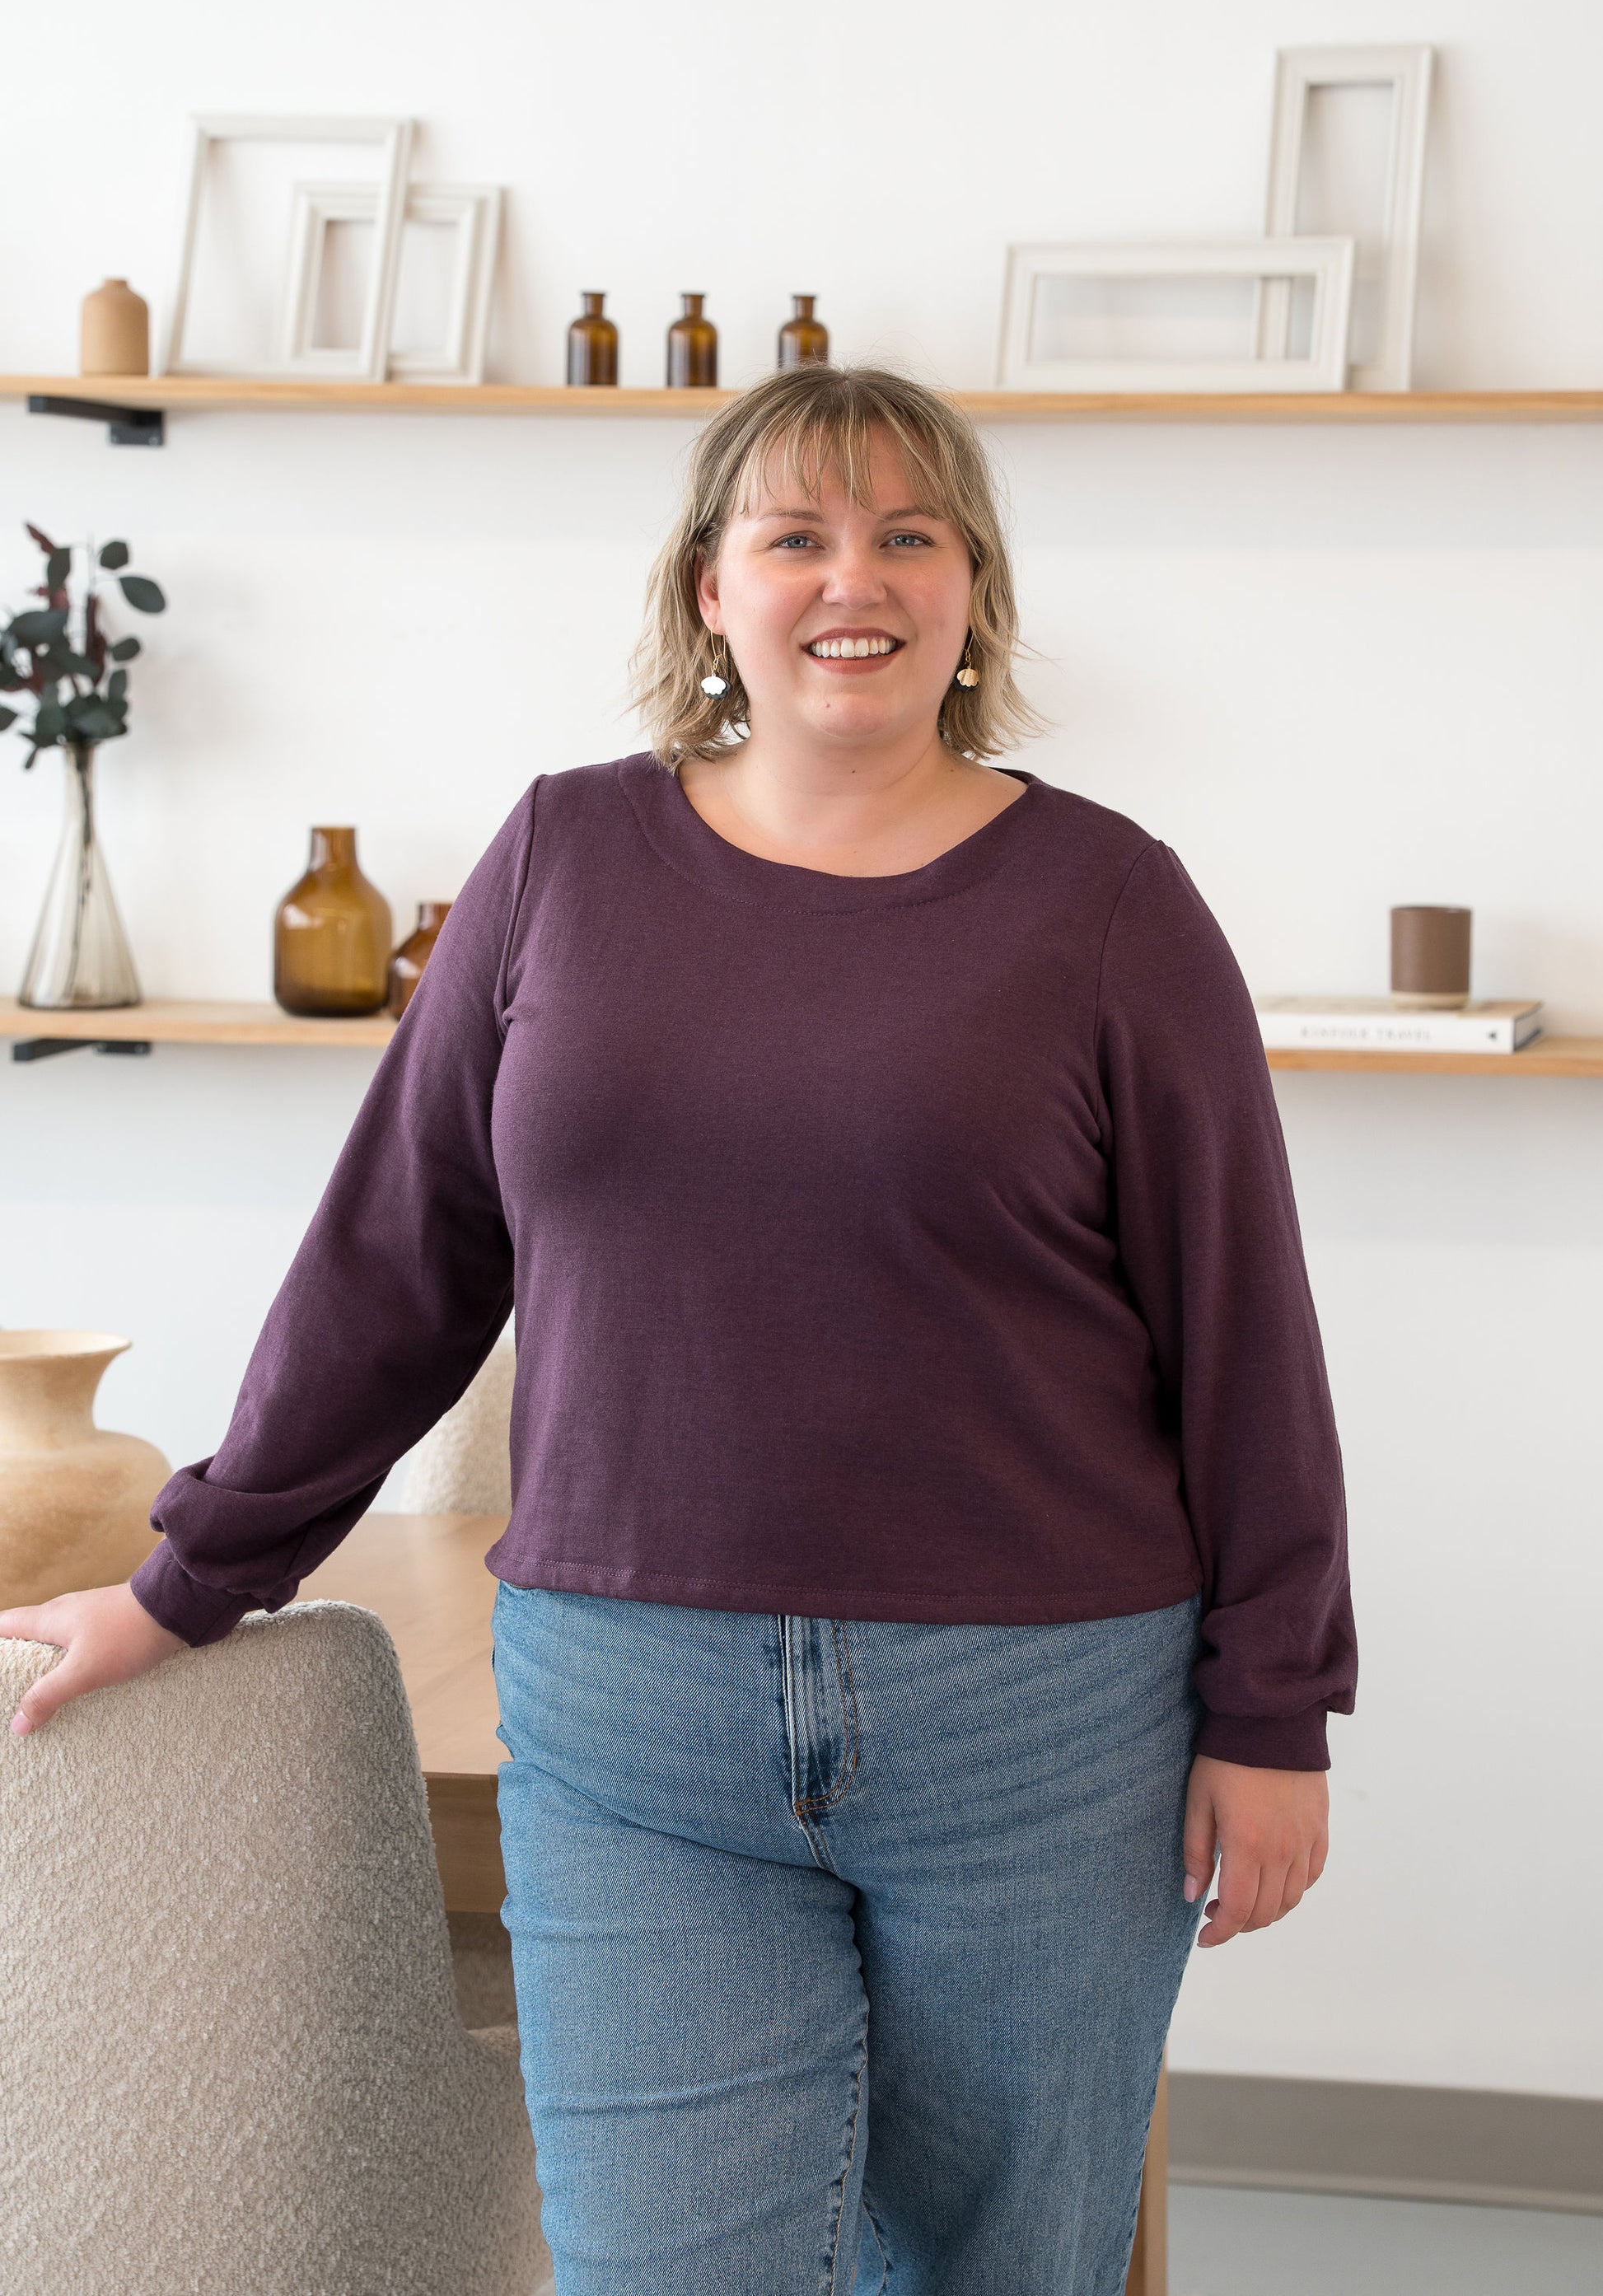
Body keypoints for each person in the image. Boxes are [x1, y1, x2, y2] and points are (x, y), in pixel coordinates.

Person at [0, 362, 1356, 2295]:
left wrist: (1274, 1703)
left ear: (972, 587)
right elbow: (396, 1264)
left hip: (1044, 1727)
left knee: (997, 2271)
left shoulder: (1111, 904)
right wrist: (187, 1578)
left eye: (906, 533)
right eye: (792, 533)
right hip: (634, 1722)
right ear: (708, 586)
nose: (849, 577)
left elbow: (1245, 1335)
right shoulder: (558, 861)